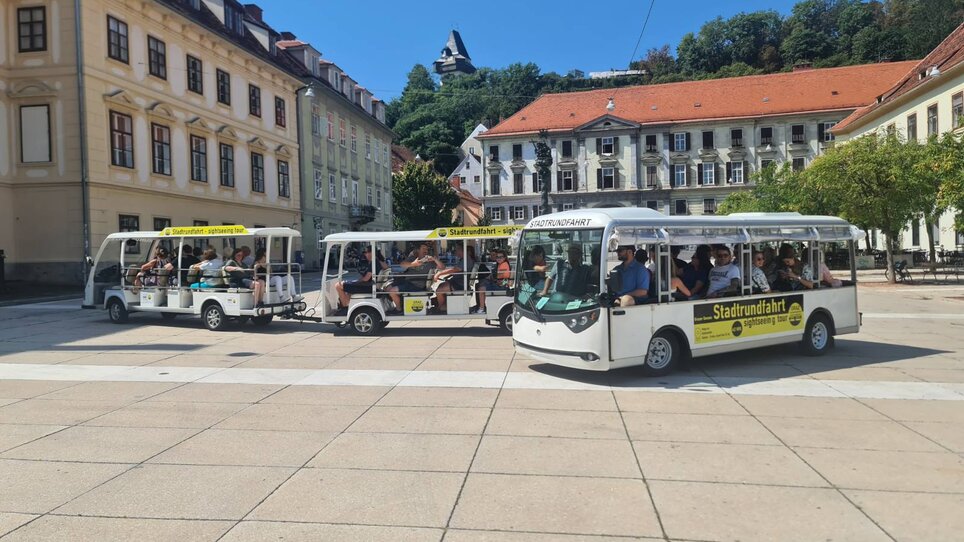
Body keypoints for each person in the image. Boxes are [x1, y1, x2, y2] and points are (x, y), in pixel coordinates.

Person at [385, 242, 444, 309]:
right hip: (407, 282)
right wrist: (413, 264)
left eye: (427, 249)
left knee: (392, 291)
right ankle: (400, 303)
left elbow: (442, 267)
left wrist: (435, 259)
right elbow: (402, 264)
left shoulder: (430, 261)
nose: (426, 251)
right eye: (424, 249)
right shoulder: (413, 258)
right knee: (387, 288)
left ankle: (399, 310)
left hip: (416, 285)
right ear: (418, 250)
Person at [334, 245, 389, 314]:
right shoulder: (377, 261)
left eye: (366, 252)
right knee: (349, 289)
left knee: (338, 285)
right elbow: (386, 267)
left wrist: (357, 281)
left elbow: (366, 279)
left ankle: (345, 308)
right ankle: (346, 305)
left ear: (371, 253)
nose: (365, 254)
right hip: (371, 285)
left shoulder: (374, 262)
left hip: (368, 286)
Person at [434, 244, 475, 313]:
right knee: (441, 285)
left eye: (457, 250)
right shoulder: (463, 259)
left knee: (439, 290)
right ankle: (443, 306)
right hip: (457, 282)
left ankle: (441, 309)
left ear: (461, 251)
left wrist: (439, 273)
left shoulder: (466, 260)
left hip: (459, 284)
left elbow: (455, 269)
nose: (455, 252)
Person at [476, 248, 511, 313]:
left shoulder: (504, 265)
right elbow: (495, 276)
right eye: (497, 257)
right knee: (481, 284)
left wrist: (492, 279)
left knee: (481, 289)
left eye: (501, 257)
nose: (499, 258)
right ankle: (482, 307)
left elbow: (500, 278)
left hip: (502, 286)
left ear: (504, 257)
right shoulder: (500, 264)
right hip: (500, 284)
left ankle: (481, 308)